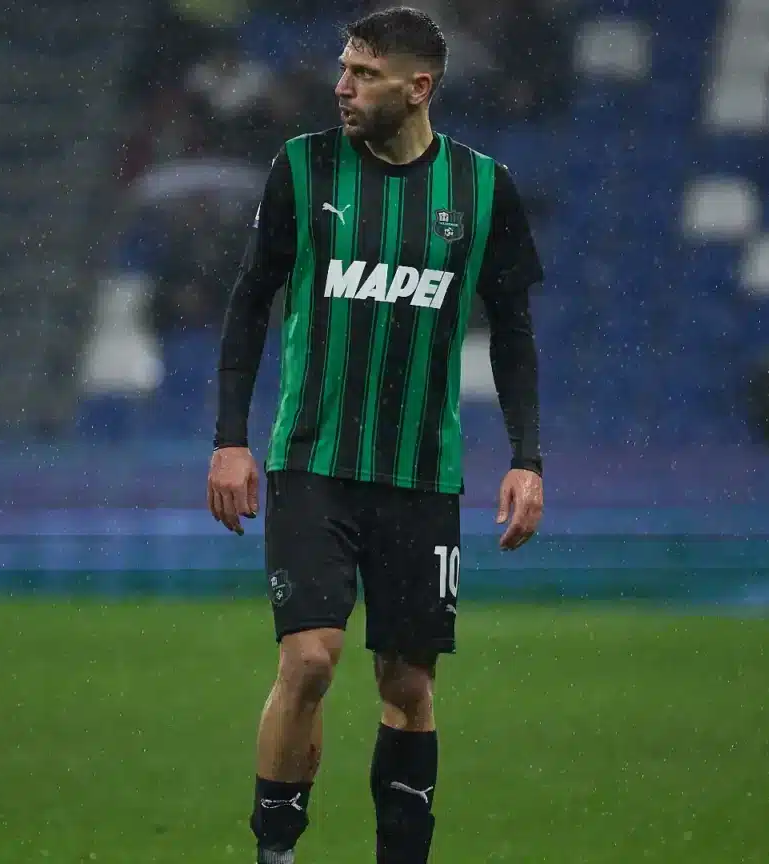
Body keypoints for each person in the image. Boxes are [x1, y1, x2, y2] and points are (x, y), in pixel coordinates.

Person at [205, 8, 545, 863]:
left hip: (421, 474)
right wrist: (229, 439)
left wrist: (526, 457)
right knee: (312, 660)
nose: (341, 86)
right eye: (343, 68)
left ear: (418, 86)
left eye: (362, 73)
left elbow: (512, 329)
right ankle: (275, 853)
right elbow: (250, 302)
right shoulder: (302, 167)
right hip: (313, 461)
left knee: (408, 682)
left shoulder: (482, 189)